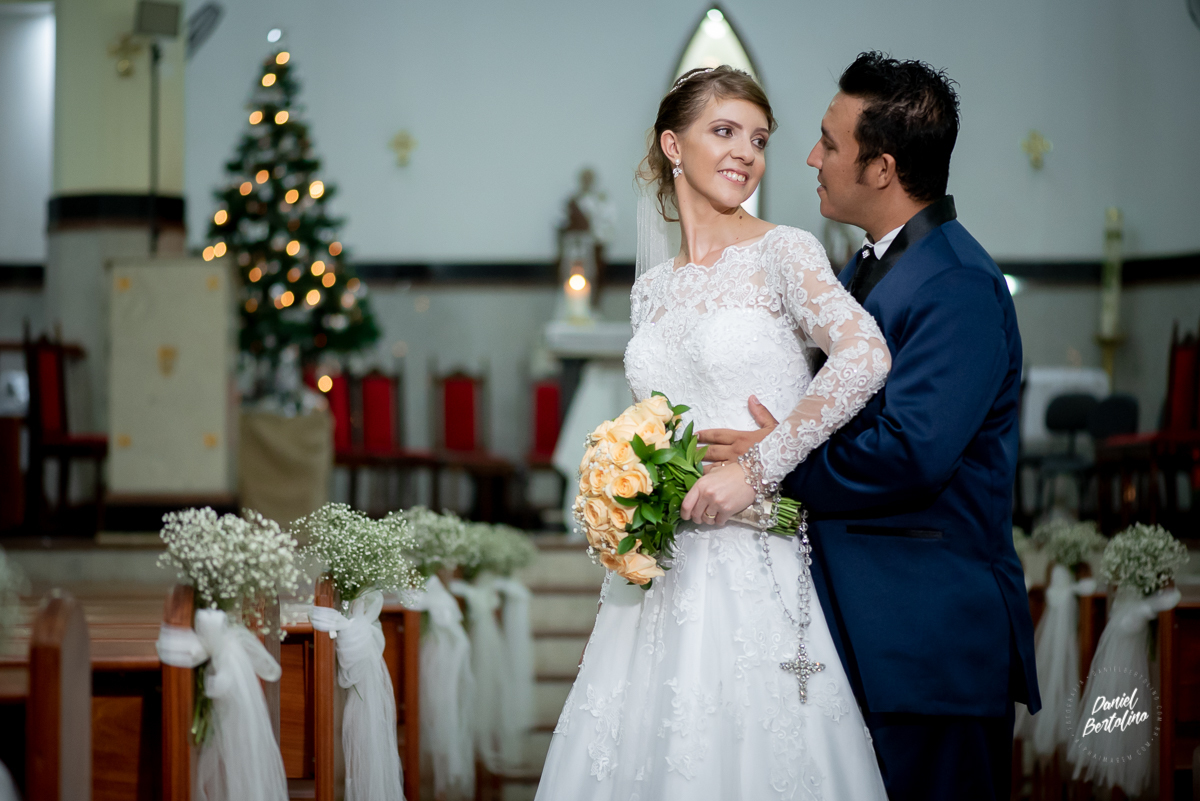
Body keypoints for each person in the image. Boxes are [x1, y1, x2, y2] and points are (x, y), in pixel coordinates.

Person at [535, 66, 891, 800]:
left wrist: (760, 465)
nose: (746, 153)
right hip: (660, 574)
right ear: (673, 144)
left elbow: (866, 354)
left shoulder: (783, 252)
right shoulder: (651, 290)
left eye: (758, 139)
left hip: (755, 561)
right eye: (723, 131)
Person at [698, 53, 1040, 800]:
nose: (812, 157)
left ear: (882, 167)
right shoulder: (867, 267)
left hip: (925, 638)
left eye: (829, 141)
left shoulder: (958, 284)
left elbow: (912, 454)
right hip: (870, 624)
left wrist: (772, 460)